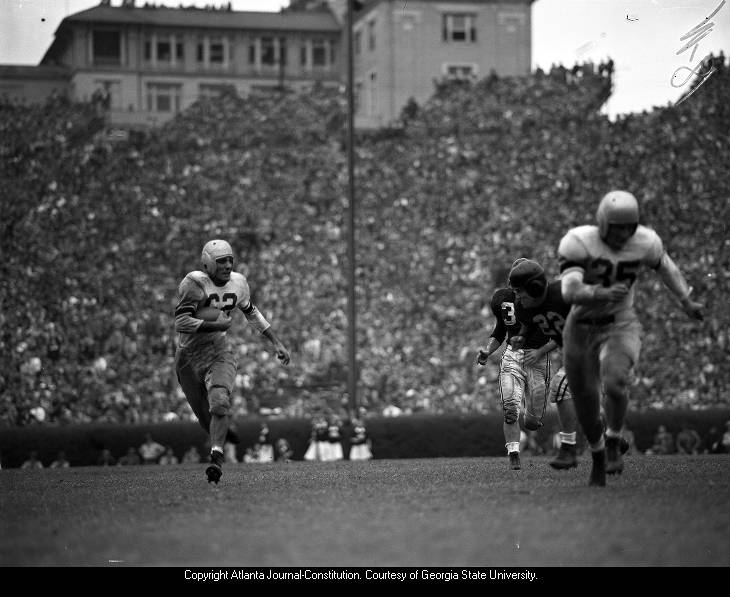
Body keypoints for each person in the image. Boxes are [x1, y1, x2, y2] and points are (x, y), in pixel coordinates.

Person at [558, 190, 703, 486]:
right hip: (580, 325)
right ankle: (598, 455)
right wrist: (599, 293)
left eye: (629, 227)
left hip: (620, 323)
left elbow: (666, 267)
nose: (624, 234)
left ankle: (613, 440)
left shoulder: (646, 242)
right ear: (602, 222)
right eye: (618, 227)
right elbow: (569, 291)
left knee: (615, 380)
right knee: (585, 404)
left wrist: (685, 301)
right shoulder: (579, 241)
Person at [174, 239, 290, 484]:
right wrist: (215, 323)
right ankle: (224, 430)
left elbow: (251, 313)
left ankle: (216, 456)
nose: (227, 265)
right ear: (207, 264)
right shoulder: (194, 283)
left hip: (218, 350)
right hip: (188, 355)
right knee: (204, 415)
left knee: (218, 401)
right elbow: (181, 323)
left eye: (229, 260)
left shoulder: (239, 283)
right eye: (221, 261)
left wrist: (276, 342)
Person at [476, 259, 554, 471]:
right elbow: (500, 330)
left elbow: (557, 336)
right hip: (513, 355)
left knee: (532, 422)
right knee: (510, 407)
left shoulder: (545, 299)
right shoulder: (502, 299)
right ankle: (513, 452)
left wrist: (540, 352)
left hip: (537, 359)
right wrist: (488, 350)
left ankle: (532, 421)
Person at [507, 258, 580, 470]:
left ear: (535, 288)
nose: (517, 296)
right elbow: (530, 328)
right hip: (572, 348)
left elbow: (579, 324)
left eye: (520, 291)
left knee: (560, 386)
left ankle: (568, 448)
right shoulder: (524, 309)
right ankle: (610, 438)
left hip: (593, 342)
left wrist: (540, 351)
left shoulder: (564, 295)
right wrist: (521, 337)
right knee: (587, 405)